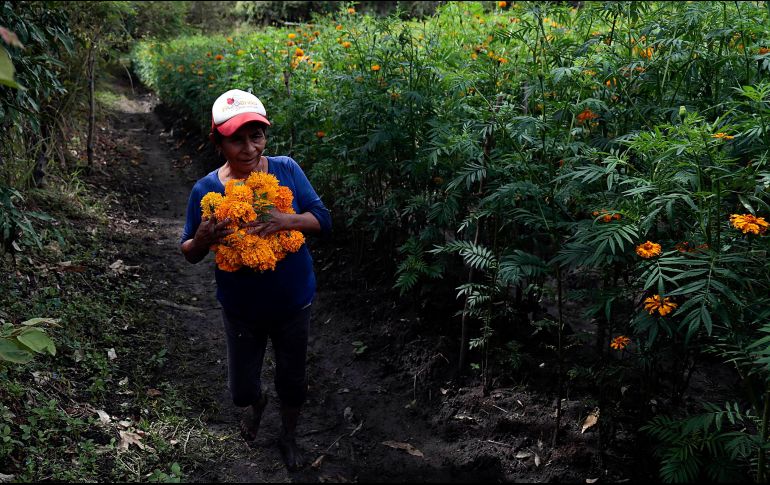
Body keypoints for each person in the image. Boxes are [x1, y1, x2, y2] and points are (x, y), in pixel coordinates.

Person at [179, 89, 331, 470]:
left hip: (294, 301)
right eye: (237, 139)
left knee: (292, 380)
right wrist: (202, 239)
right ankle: (256, 403)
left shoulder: (287, 170)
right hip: (241, 307)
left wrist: (287, 221)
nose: (249, 148)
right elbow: (190, 251)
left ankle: (289, 436)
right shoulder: (207, 189)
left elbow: (323, 219)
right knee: (241, 389)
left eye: (256, 136)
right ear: (218, 142)